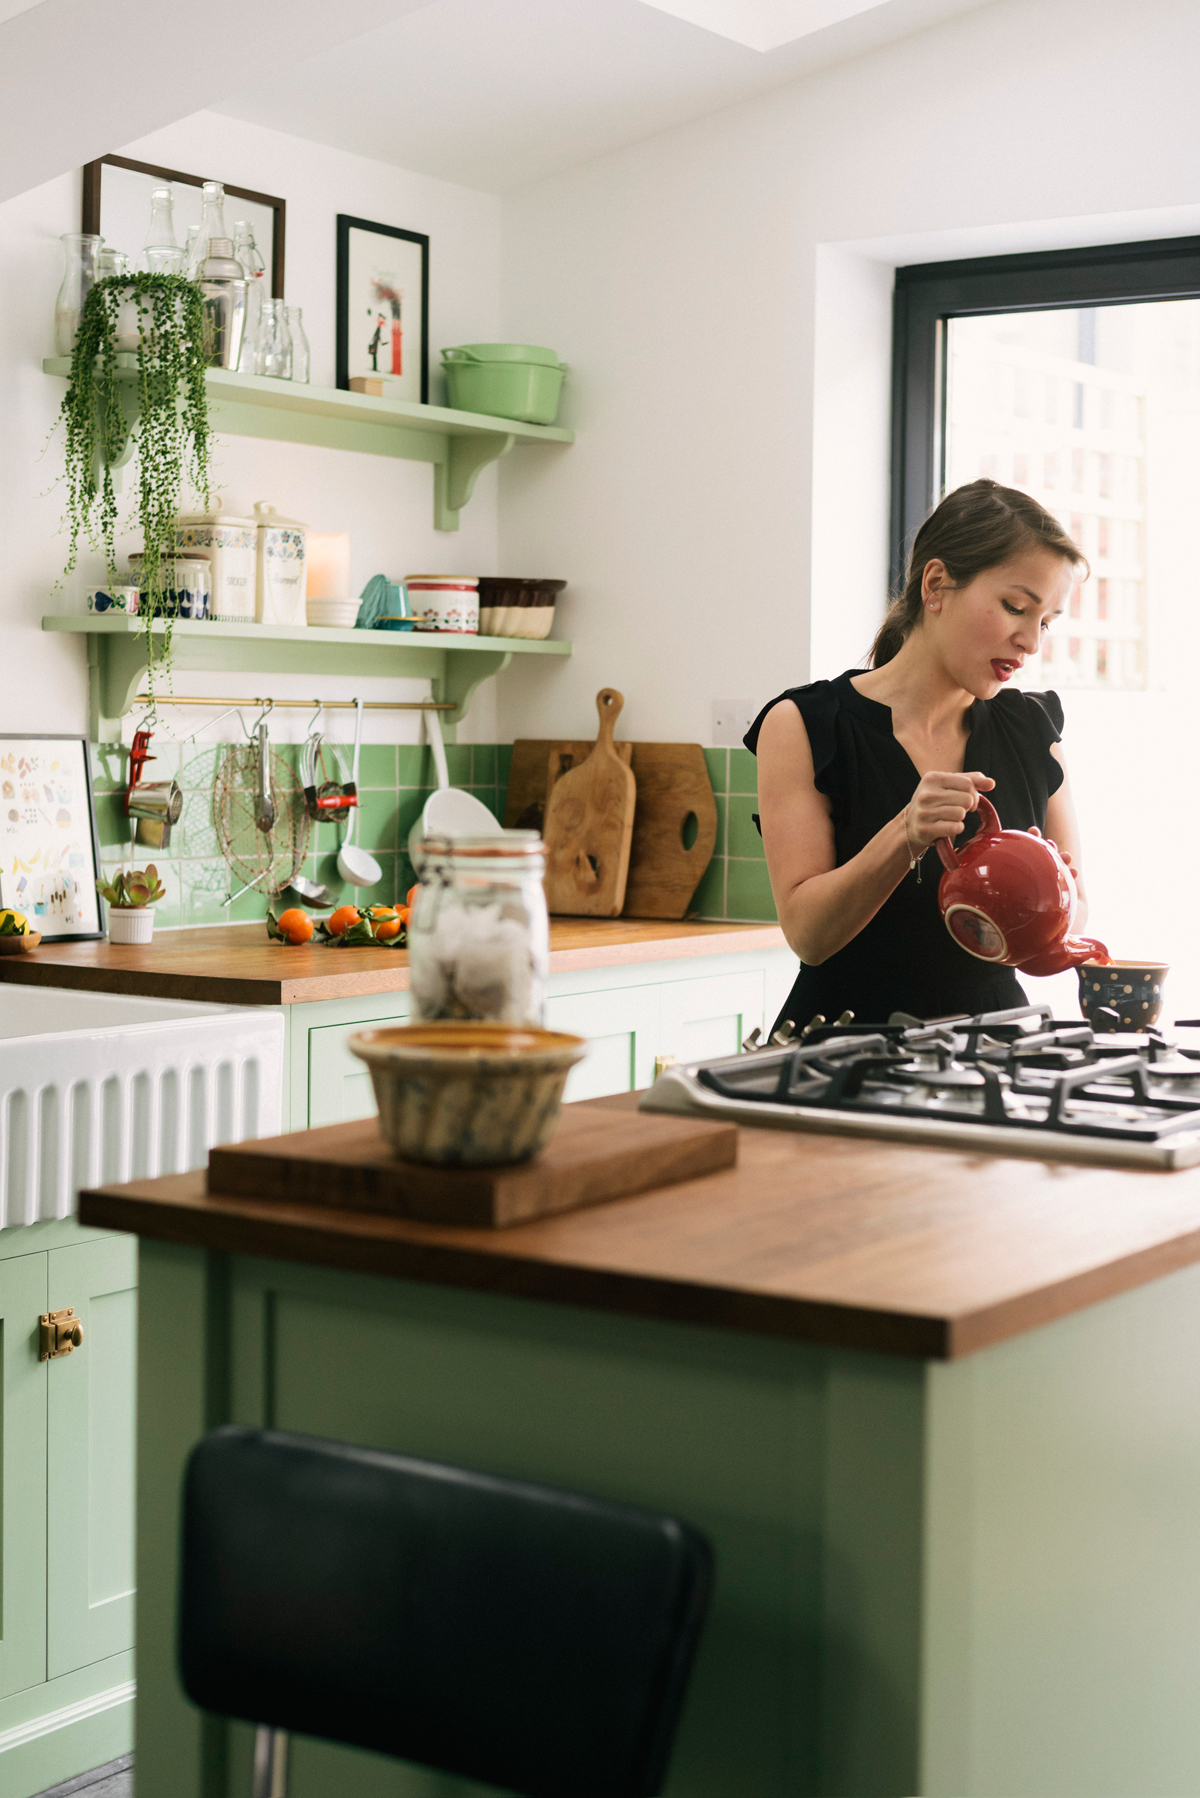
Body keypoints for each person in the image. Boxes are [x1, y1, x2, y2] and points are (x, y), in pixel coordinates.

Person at [747, 479, 1089, 1027]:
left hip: (994, 1048)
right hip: (845, 1047)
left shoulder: (1033, 728)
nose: (1031, 642)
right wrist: (905, 832)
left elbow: (1069, 927)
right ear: (935, 583)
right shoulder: (804, 725)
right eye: (1015, 607)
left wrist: (1055, 898)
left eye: (1045, 622)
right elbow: (809, 938)